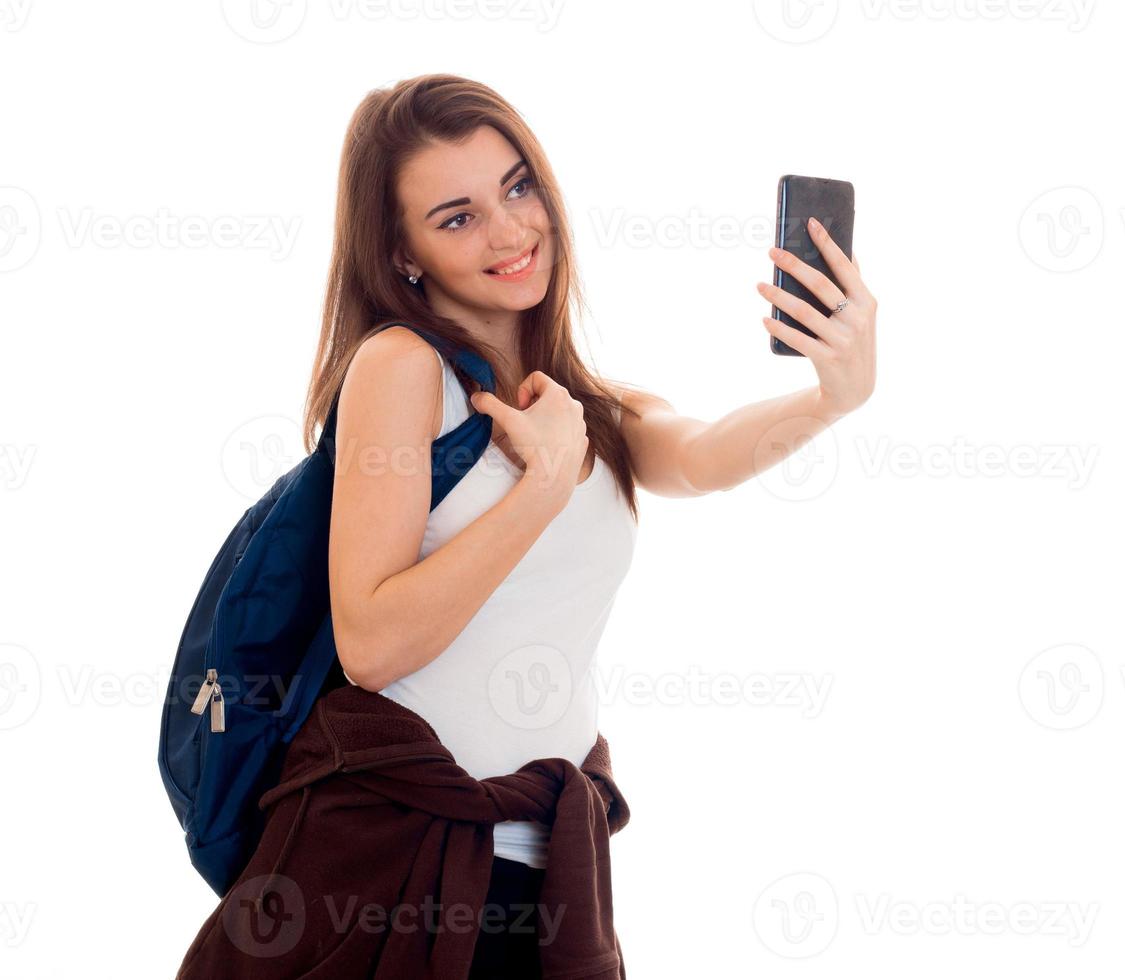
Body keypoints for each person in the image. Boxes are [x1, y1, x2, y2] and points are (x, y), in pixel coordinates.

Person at [221, 70, 875, 978]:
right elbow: (370, 641)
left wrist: (836, 397)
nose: (510, 230)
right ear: (402, 253)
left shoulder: (587, 408)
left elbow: (703, 454)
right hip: (382, 863)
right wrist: (539, 488)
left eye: (517, 186)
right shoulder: (403, 368)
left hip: (545, 873)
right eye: (457, 217)